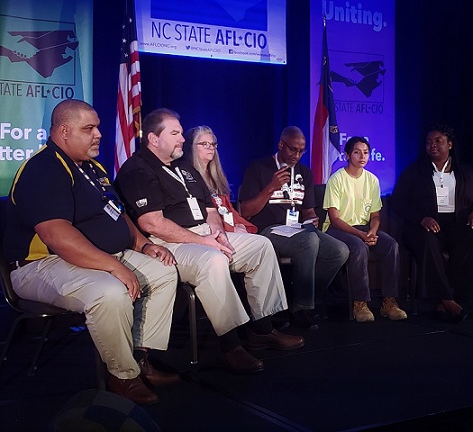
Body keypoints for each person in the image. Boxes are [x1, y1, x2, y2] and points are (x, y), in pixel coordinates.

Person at [3, 99, 180, 405]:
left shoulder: (92, 167)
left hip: (95, 256)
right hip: (40, 264)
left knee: (163, 272)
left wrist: (143, 243)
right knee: (109, 292)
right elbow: (57, 237)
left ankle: (139, 358)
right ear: (64, 131)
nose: (98, 134)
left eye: (97, 127)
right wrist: (114, 266)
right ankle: (122, 375)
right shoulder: (43, 169)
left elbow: (117, 213)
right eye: (89, 129)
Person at [114, 109, 304, 375]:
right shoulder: (138, 170)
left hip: (204, 235)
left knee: (260, 245)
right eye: (175, 133)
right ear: (154, 139)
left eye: (182, 133)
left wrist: (219, 234)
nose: (182, 138)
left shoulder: (184, 167)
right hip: (168, 243)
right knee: (213, 260)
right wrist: (204, 242)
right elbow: (152, 224)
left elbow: (211, 210)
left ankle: (262, 330)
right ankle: (230, 346)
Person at [239, 126, 349, 330]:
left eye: (301, 151)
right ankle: (302, 309)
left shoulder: (304, 173)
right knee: (309, 241)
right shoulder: (259, 168)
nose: (296, 156)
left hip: (297, 230)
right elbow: (246, 212)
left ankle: (301, 298)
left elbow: (308, 211)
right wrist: (271, 187)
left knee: (339, 250)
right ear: (281, 144)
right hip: (268, 231)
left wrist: (312, 219)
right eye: (292, 149)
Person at [392, 124, 473, 322]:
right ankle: (447, 300)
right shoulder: (414, 172)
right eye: (429, 142)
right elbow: (398, 202)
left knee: (470, 237)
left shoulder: (467, 171)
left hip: (458, 222)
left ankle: (454, 297)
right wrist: (421, 218)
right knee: (428, 242)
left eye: (438, 141)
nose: (433, 145)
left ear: (450, 144)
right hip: (425, 224)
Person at [322, 136, 407, 322]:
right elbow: (335, 219)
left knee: (391, 245)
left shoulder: (372, 180)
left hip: (363, 228)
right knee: (359, 247)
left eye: (366, 153)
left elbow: (375, 216)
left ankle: (389, 302)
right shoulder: (336, 179)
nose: (362, 156)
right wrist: (361, 235)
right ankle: (359, 303)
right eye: (357, 152)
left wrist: (372, 232)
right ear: (347, 155)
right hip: (338, 229)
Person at [184, 125, 257, 234]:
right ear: (192, 147)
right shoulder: (189, 177)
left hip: (229, 227)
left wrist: (240, 225)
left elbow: (228, 209)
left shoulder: (216, 176)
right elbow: (202, 214)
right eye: (204, 144)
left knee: (259, 239)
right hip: (210, 230)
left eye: (213, 144)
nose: (211, 147)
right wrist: (231, 229)